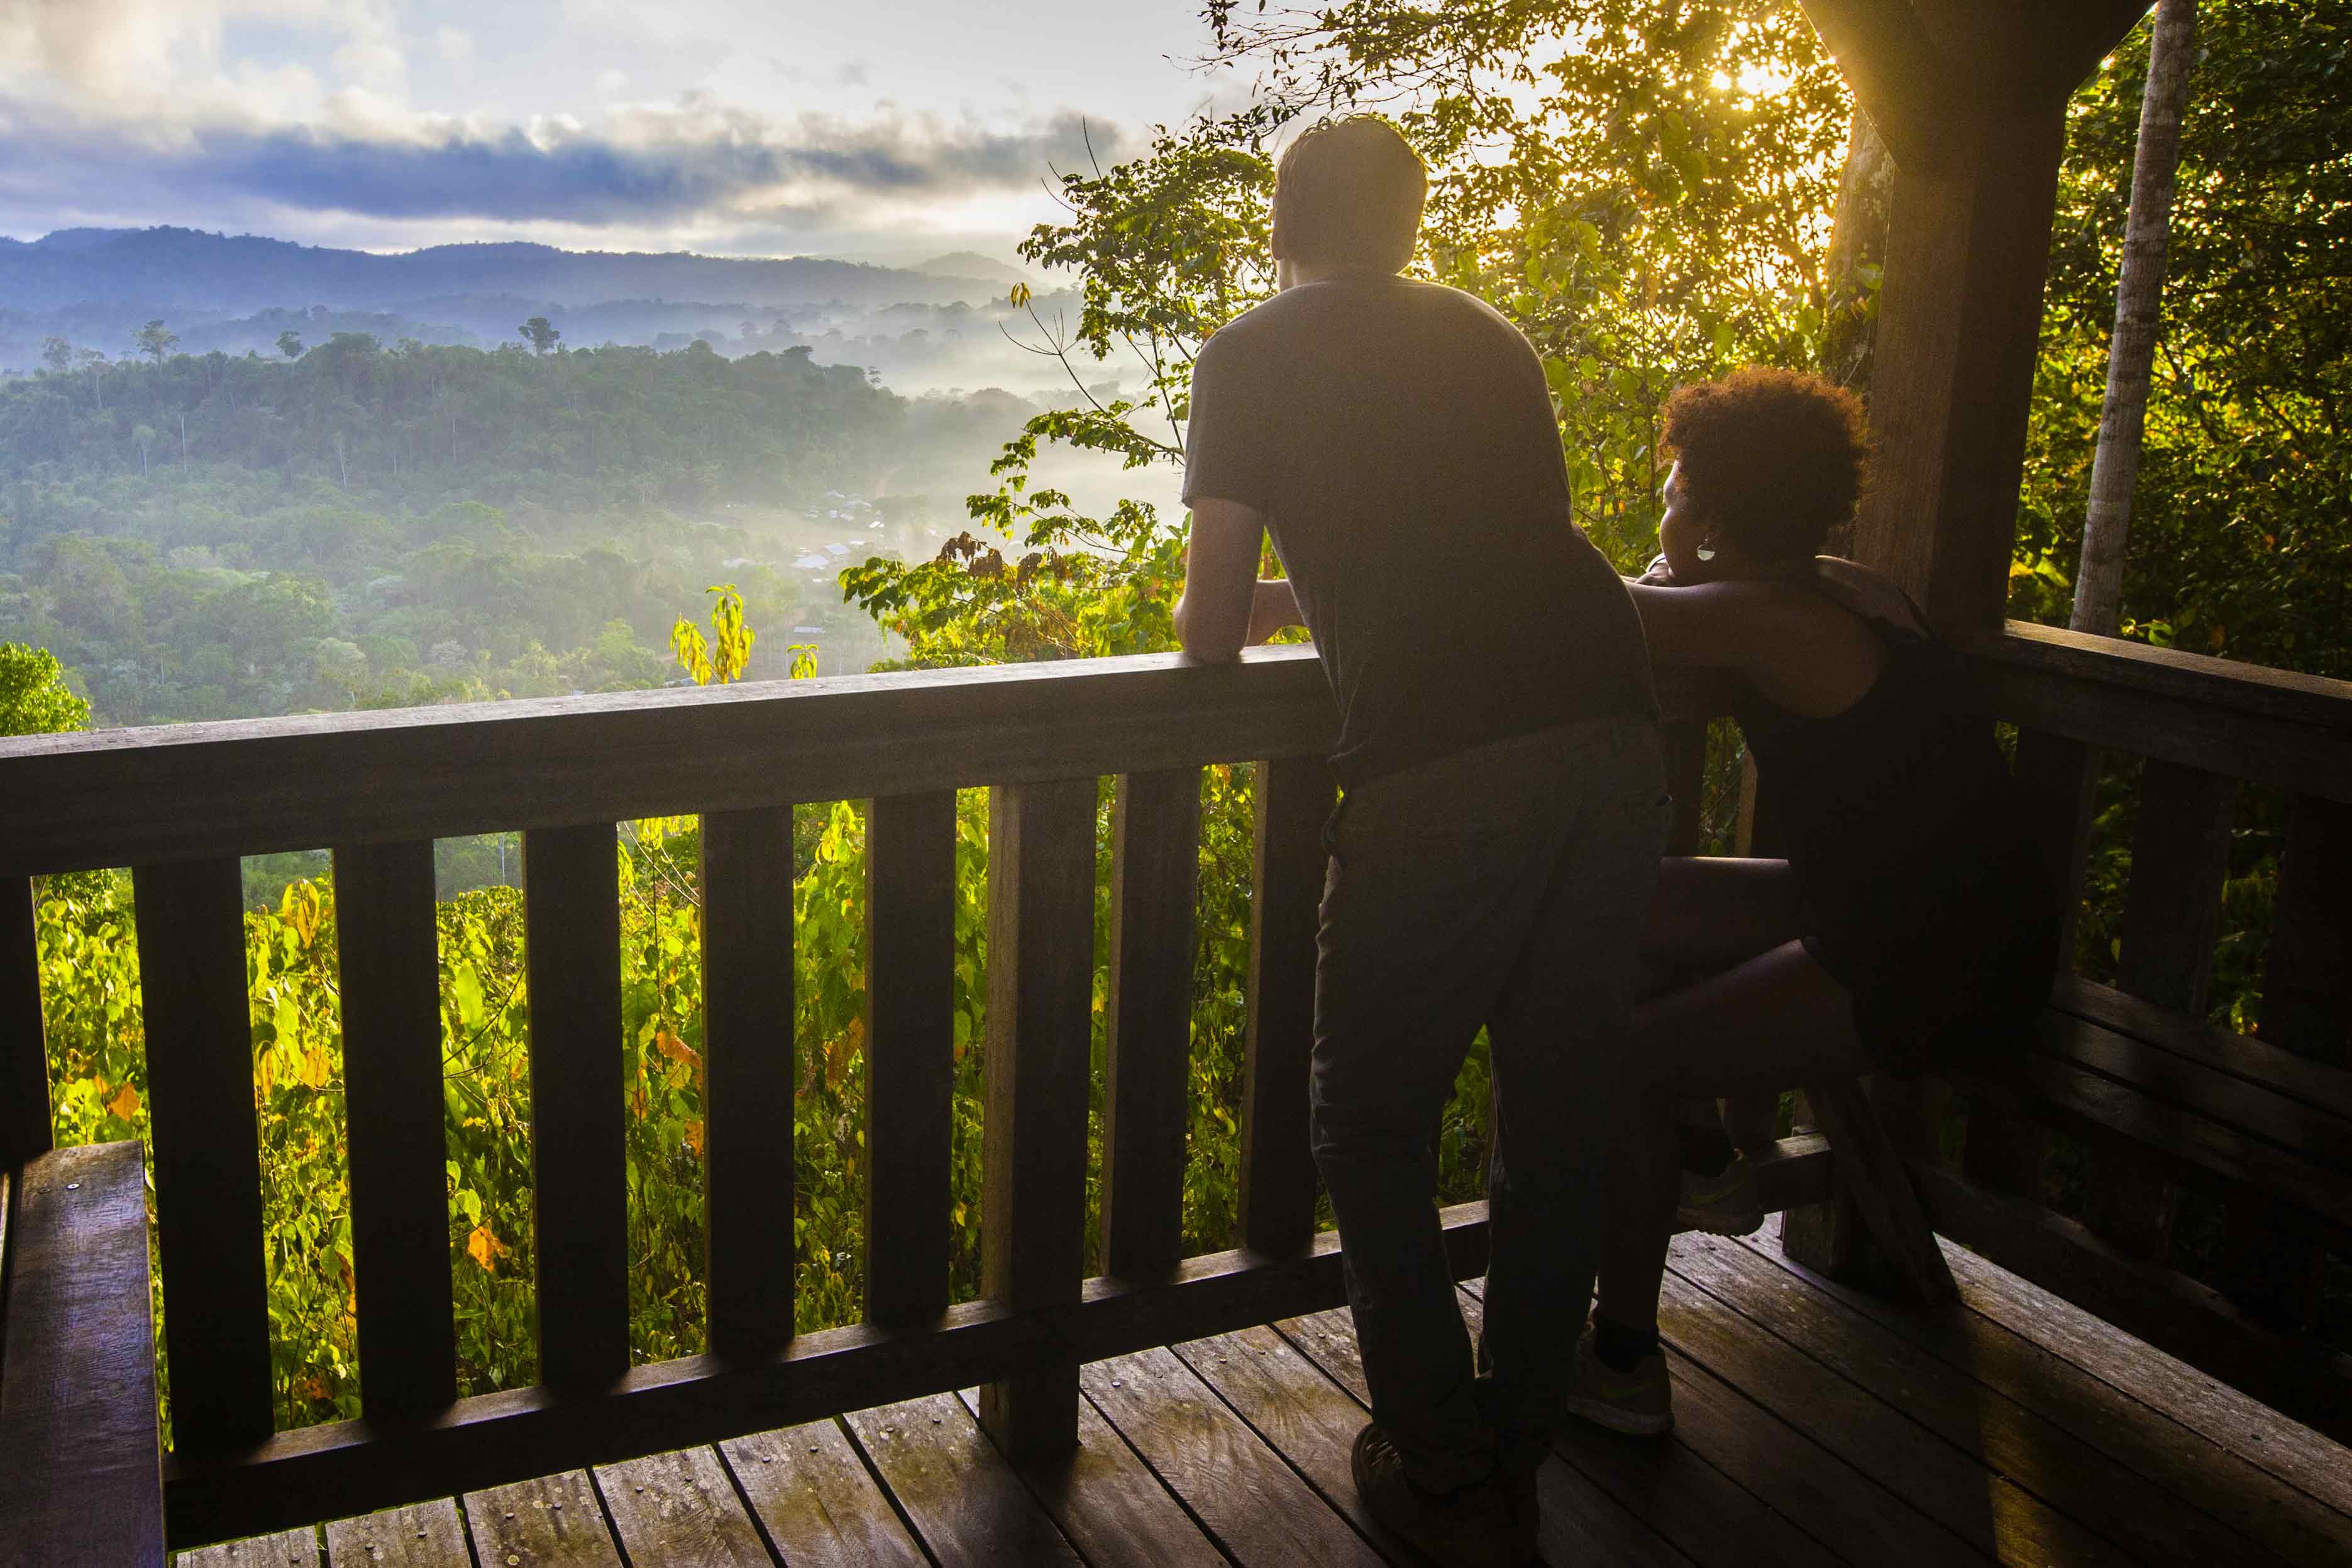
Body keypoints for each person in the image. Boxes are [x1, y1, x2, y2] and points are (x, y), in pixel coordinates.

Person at [1173, 114, 1664, 1565]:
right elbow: (1480, 549)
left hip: (1443, 759)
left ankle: (1443, 1461)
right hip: (1610, 720)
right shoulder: (1484, 335)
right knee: (1555, 1101)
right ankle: (1511, 1435)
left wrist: (1242, 619)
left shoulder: (1247, 352)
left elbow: (1203, 629)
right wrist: (1313, 603)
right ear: (1407, 217)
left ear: (1282, 218)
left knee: (1370, 1120)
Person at [1562, 367, 2060, 1437]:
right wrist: (1689, 572)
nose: (1665, 500)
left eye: (1676, 484)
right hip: (1918, 903)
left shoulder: (1763, 617)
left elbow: (1575, 611)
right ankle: (1702, 1158)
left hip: (1932, 954)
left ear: (1713, 508)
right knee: (1622, 907)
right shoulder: (1835, 591)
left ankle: (1621, 1356)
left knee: (1621, 1059)